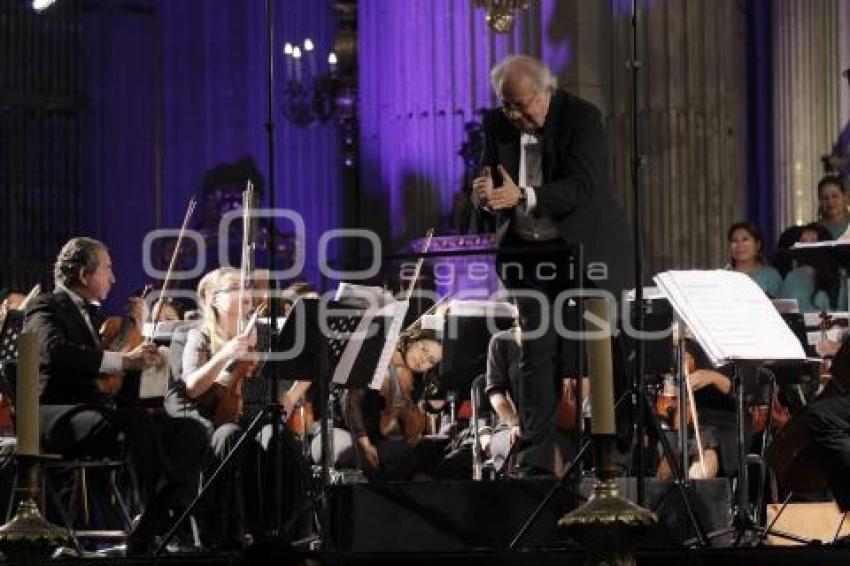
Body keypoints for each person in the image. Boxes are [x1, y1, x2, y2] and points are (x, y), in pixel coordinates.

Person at [471, 54, 634, 474]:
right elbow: (494, 184)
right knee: (535, 353)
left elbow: (581, 187)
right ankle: (535, 466)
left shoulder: (582, 117)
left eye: (523, 104)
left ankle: (607, 459)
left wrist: (523, 195)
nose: (515, 114)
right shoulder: (497, 124)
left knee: (595, 350)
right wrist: (483, 194)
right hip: (527, 255)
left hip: (581, 249)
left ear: (549, 91)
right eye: (507, 105)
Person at [24, 237, 208, 555]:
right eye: (107, 269)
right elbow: (55, 352)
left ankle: (151, 522)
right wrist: (125, 360)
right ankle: (151, 514)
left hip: (103, 414)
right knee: (134, 423)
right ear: (84, 275)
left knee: (190, 431)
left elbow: (118, 385)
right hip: (57, 414)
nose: (114, 278)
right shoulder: (45, 306)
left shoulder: (97, 317)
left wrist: (151, 366)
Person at [163, 267, 257, 550]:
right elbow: (191, 386)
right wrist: (228, 355)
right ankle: (223, 537)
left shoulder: (258, 333)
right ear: (214, 299)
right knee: (227, 435)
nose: (246, 294)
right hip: (205, 421)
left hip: (245, 417)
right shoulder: (199, 336)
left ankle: (280, 533)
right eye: (235, 288)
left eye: (247, 287)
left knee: (277, 439)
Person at [345, 329, 442, 480]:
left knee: (432, 450)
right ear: (412, 340)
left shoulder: (417, 380)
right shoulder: (379, 358)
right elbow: (352, 401)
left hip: (390, 436)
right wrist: (364, 441)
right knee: (399, 455)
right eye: (423, 349)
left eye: (431, 360)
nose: (423, 360)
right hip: (361, 431)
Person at [779, 223, 847, 312]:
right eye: (803, 241)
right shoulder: (791, 277)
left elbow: (842, 314)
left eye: (813, 240)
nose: (807, 245)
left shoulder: (838, 278)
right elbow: (784, 311)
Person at [726, 221, 782, 297]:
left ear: (757, 245)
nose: (739, 245)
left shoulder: (770, 276)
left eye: (745, 239)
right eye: (734, 241)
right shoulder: (724, 276)